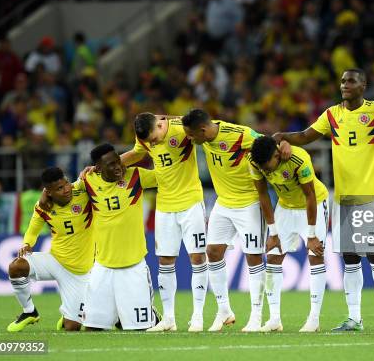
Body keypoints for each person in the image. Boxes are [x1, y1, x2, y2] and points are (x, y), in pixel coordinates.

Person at [274, 69, 374, 332]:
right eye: (342, 81)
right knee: (350, 258)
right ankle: (355, 318)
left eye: (351, 81)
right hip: (341, 197)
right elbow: (307, 136)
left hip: (370, 195)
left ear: (363, 85)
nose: (344, 85)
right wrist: (281, 136)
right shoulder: (332, 114)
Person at [182, 109, 277, 332]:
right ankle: (224, 310)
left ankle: (256, 316)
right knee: (213, 252)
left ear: (202, 131)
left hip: (249, 203)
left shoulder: (240, 135)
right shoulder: (202, 133)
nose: (189, 139)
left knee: (253, 256)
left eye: (191, 135)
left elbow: (269, 145)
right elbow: (172, 121)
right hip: (223, 203)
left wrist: (284, 146)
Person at [123, 112, 207, 332]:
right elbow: (136, 154)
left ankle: (197, 316)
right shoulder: (144, 138)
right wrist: (106, 164)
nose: (152, 143)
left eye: (154, 138)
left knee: (197, 257)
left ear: (160, 125)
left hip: (191, 202)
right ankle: (169, 318)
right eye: (149, 141)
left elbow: (204, 126)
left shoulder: (181, 129)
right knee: (165, 261)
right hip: (165, 205)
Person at [249, 136, 329, 333]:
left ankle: (314, 319)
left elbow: (310, 195)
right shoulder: (255, 162)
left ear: (277, 155)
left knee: (315, 256)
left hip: (313, 205)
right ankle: (274, 319)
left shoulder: (298, 159)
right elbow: (263, 194)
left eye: (268, 167)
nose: (266, 171)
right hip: (285, 207)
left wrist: (311, 235)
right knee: (273, 257)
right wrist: (273, 231)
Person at [80, 144, 159, 331]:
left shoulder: (136, 176)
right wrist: (44, 197)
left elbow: (167, 175)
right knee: (93, 328)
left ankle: (151, 315)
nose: (118, 167)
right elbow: (67, 194)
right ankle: (118, 314)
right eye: (111, 164)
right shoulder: (88, 181)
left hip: (133, 265)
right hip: (102, 266)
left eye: (119, 161)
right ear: (98, 168)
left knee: (138, 329)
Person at [7, 167, 93, 332]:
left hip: (79, 272)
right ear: (49, 192)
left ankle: (69, 313)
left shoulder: (82, 191)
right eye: (60, 188)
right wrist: (27, 244)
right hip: (55, 260)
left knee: (72, 327)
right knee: (17, 266)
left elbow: (101, 178)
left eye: (66, 184)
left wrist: (92, 169)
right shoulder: (43, 206)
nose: (67, 189)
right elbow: (33, 230)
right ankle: (29, 312)